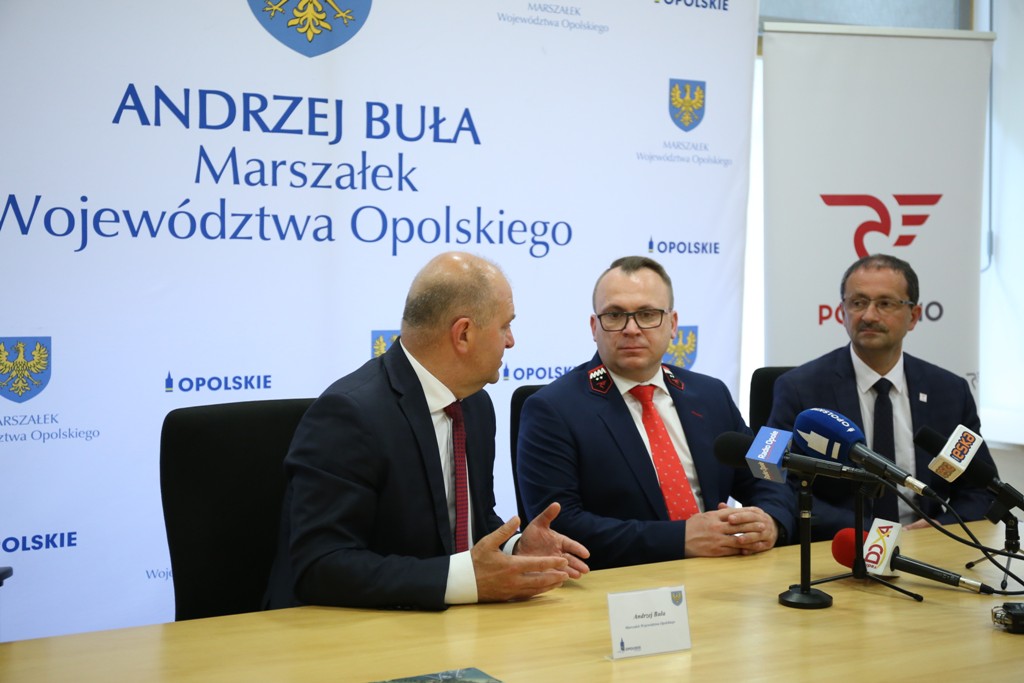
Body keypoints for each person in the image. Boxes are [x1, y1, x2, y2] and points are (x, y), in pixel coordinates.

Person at [264, 251, 589, 610]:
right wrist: (468, 581)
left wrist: (515, 549)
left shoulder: (476, 404)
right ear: (463, 334)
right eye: (504, 326)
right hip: (348, 628)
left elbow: (471, 523)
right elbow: (321, 565)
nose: (510, 341)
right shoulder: (350, 415)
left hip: (445, 623)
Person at [515, 256, 797, 570]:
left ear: (673, 324)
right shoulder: (552, 409)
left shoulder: (711, 394)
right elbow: (559, 526)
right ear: (594, 327)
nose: (631, 329)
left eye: (647, 314)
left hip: (721, 575)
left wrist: (771, 522)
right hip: (622, 583)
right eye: (615, 315)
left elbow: (770, 475)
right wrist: (681, 538)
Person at [767, 253, 999, 541]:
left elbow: (980, 488)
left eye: (885, 303)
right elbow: (773, 481)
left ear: (913, 316)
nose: (869, 316)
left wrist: (943, 526)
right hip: (840, 543)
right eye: (858, 303)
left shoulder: (949, 392)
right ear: (842, 312)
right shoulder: (799, 388)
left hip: (927, 545)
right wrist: (870, 532)